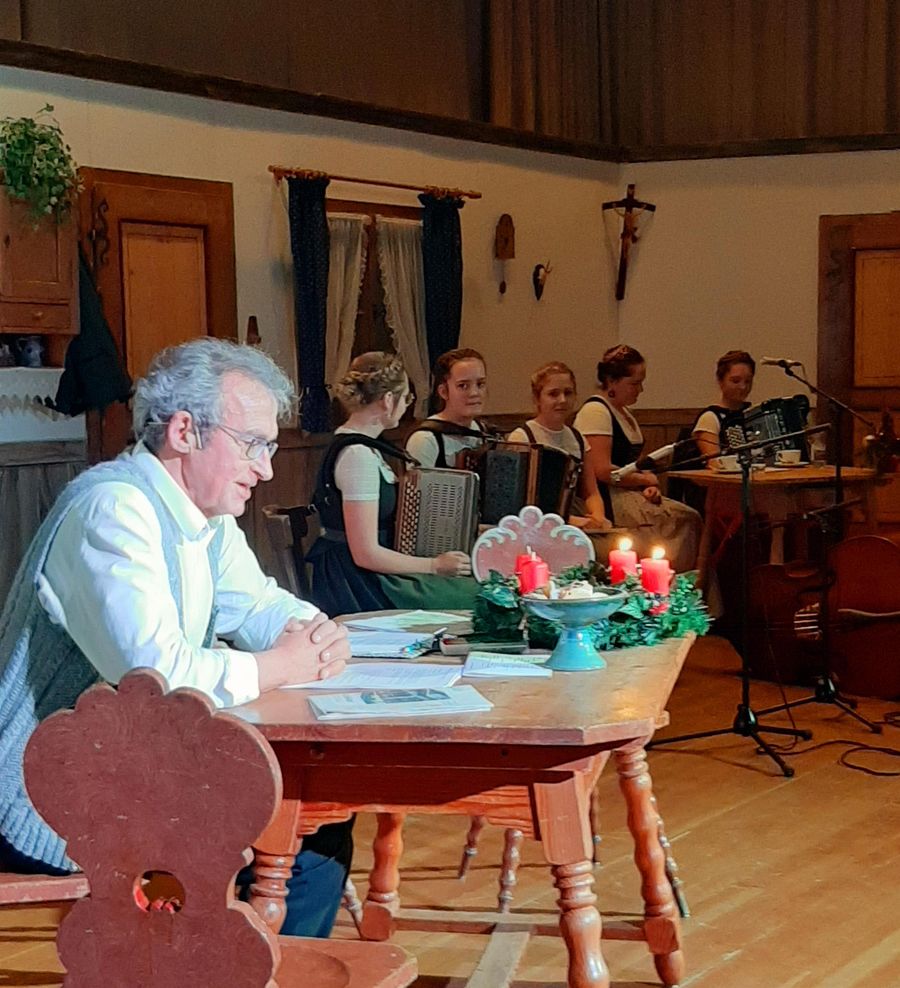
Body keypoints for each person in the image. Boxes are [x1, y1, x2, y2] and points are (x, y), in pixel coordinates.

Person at [0, 338, 352, 938]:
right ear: (184, 432)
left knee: (316, 821)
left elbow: (260, 604)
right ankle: (211, 965)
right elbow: (157, 679)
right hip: (48, 792)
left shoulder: (205, 518)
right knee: (293, 835)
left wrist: (312, 635)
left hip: (131, 773)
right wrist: (282, 665)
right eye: (253, 444)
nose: (266, 468)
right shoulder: (113, 508)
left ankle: (247, 968)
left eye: (269, 447)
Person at [307, 352, 475, 617]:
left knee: (475, 587)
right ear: (388, 400)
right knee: (477, 596)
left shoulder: (364, 447)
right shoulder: (357, 456)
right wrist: (434, 565)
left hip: (366, 572)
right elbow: (366, 553)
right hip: (355, 581)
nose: (406, 405)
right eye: (406, 398)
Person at [573, 344, 701, 573]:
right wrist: (644, 480)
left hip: (630, 491)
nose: (640, 389)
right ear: (612, 381)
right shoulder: (596, 412)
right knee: (684, 520)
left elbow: (637, 464)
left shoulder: (624, 413)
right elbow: (603, 470)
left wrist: (649, 485)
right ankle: (668, 580)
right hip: (610, 496)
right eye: (634, 383)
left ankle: (681, 582)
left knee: (689, 518)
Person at [507, 361, 611, 530]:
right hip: (536, 524)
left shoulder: (577, 439)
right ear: (537, 399)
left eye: (568, 393)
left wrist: (598, 517)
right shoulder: (523, 437)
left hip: (574, 517)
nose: (562, 400)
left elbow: (591, 492)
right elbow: (519, 500)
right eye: (553, 394)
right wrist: (568, 520)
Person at [406, 347, 489, 468]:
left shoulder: (483, 431)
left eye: (480, 384)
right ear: (444, 392)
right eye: (463, 386)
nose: (474, 393)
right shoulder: (426, 439)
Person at [691, 350, 755, 461]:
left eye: (748, 381)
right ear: (720, 381)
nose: (743, 387)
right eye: (735, 381)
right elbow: (714, 463)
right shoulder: (710, 418)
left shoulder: (753, 414)